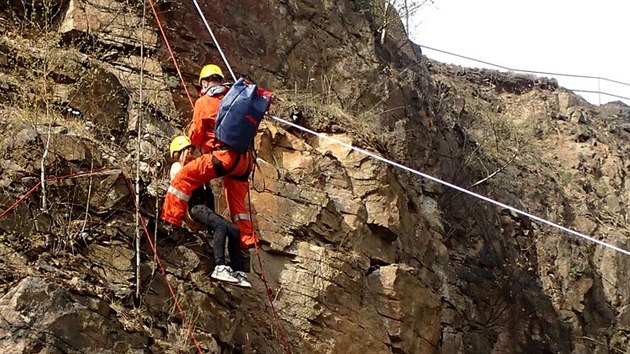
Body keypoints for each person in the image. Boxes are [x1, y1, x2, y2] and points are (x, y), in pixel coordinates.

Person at [168, 136, 251, 288]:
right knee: (221, 226)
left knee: (233, 229)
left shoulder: (195, 168)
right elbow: (181, 187)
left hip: (203, 208)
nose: (191, 152)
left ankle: (238, 270)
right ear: (179, 152)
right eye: (188, 150)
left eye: (192, 150)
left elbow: (209, 195)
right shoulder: (178, 168)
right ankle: (219, 266)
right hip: (194, 208)